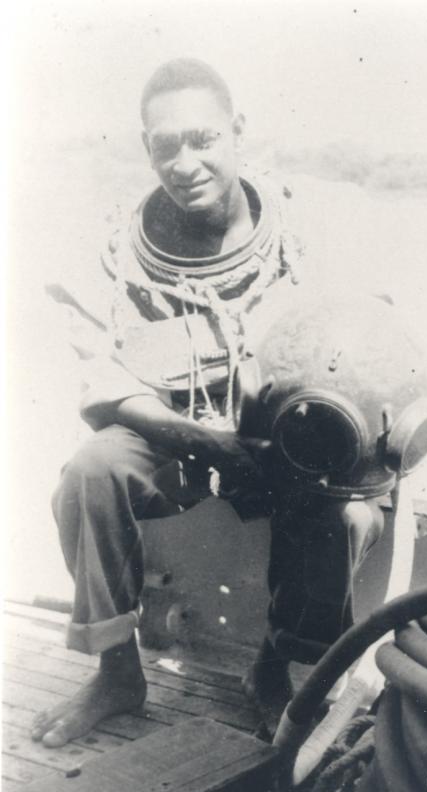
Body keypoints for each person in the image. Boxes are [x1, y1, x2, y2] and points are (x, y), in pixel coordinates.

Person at [32, 57, 383, 748]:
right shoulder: (114, 250)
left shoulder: (309, 235)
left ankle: (272, 670)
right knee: (88, 476)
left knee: (345, 510)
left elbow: (365, 339)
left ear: (237, 132)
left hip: (280, 437)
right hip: (171, 433)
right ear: (147, 149)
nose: (185, 162)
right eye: (166, 146)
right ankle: (117, 672)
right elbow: (102, 373)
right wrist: (201, 439)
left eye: (204, 139)